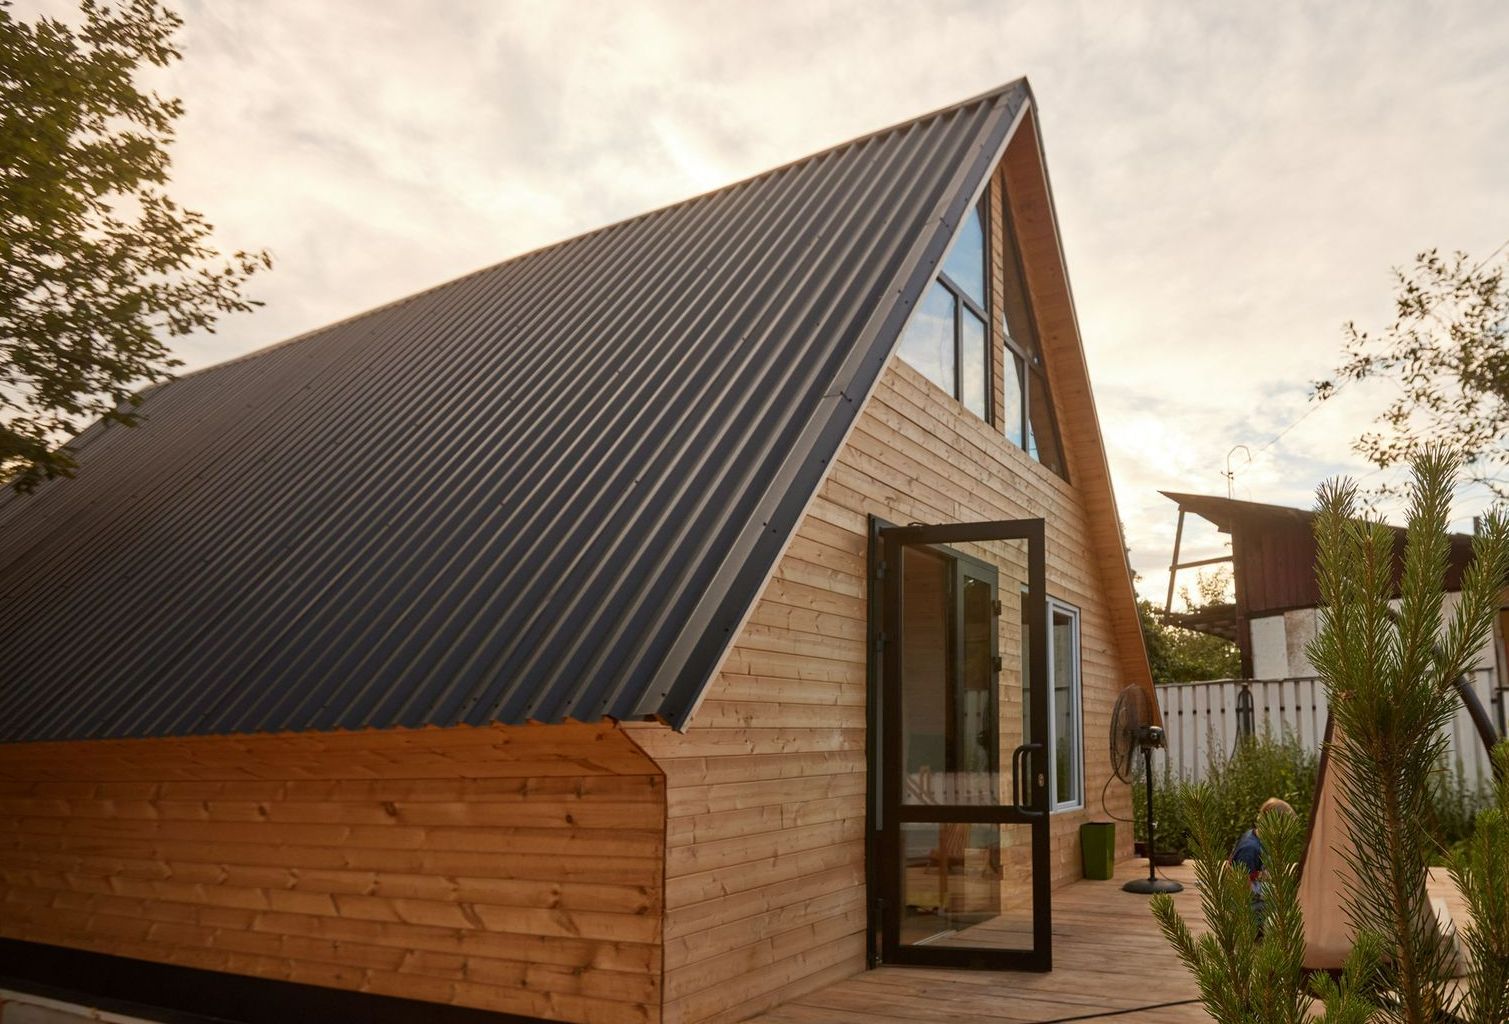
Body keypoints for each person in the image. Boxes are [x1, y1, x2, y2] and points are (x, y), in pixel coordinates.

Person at [1231, 797, 1295, 931]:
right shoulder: (1250, 849)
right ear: (1272, 826)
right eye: (1283, 830)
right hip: (1247, 905)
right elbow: (1241, 886)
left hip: (1258, 889)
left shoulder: (1260, 838)